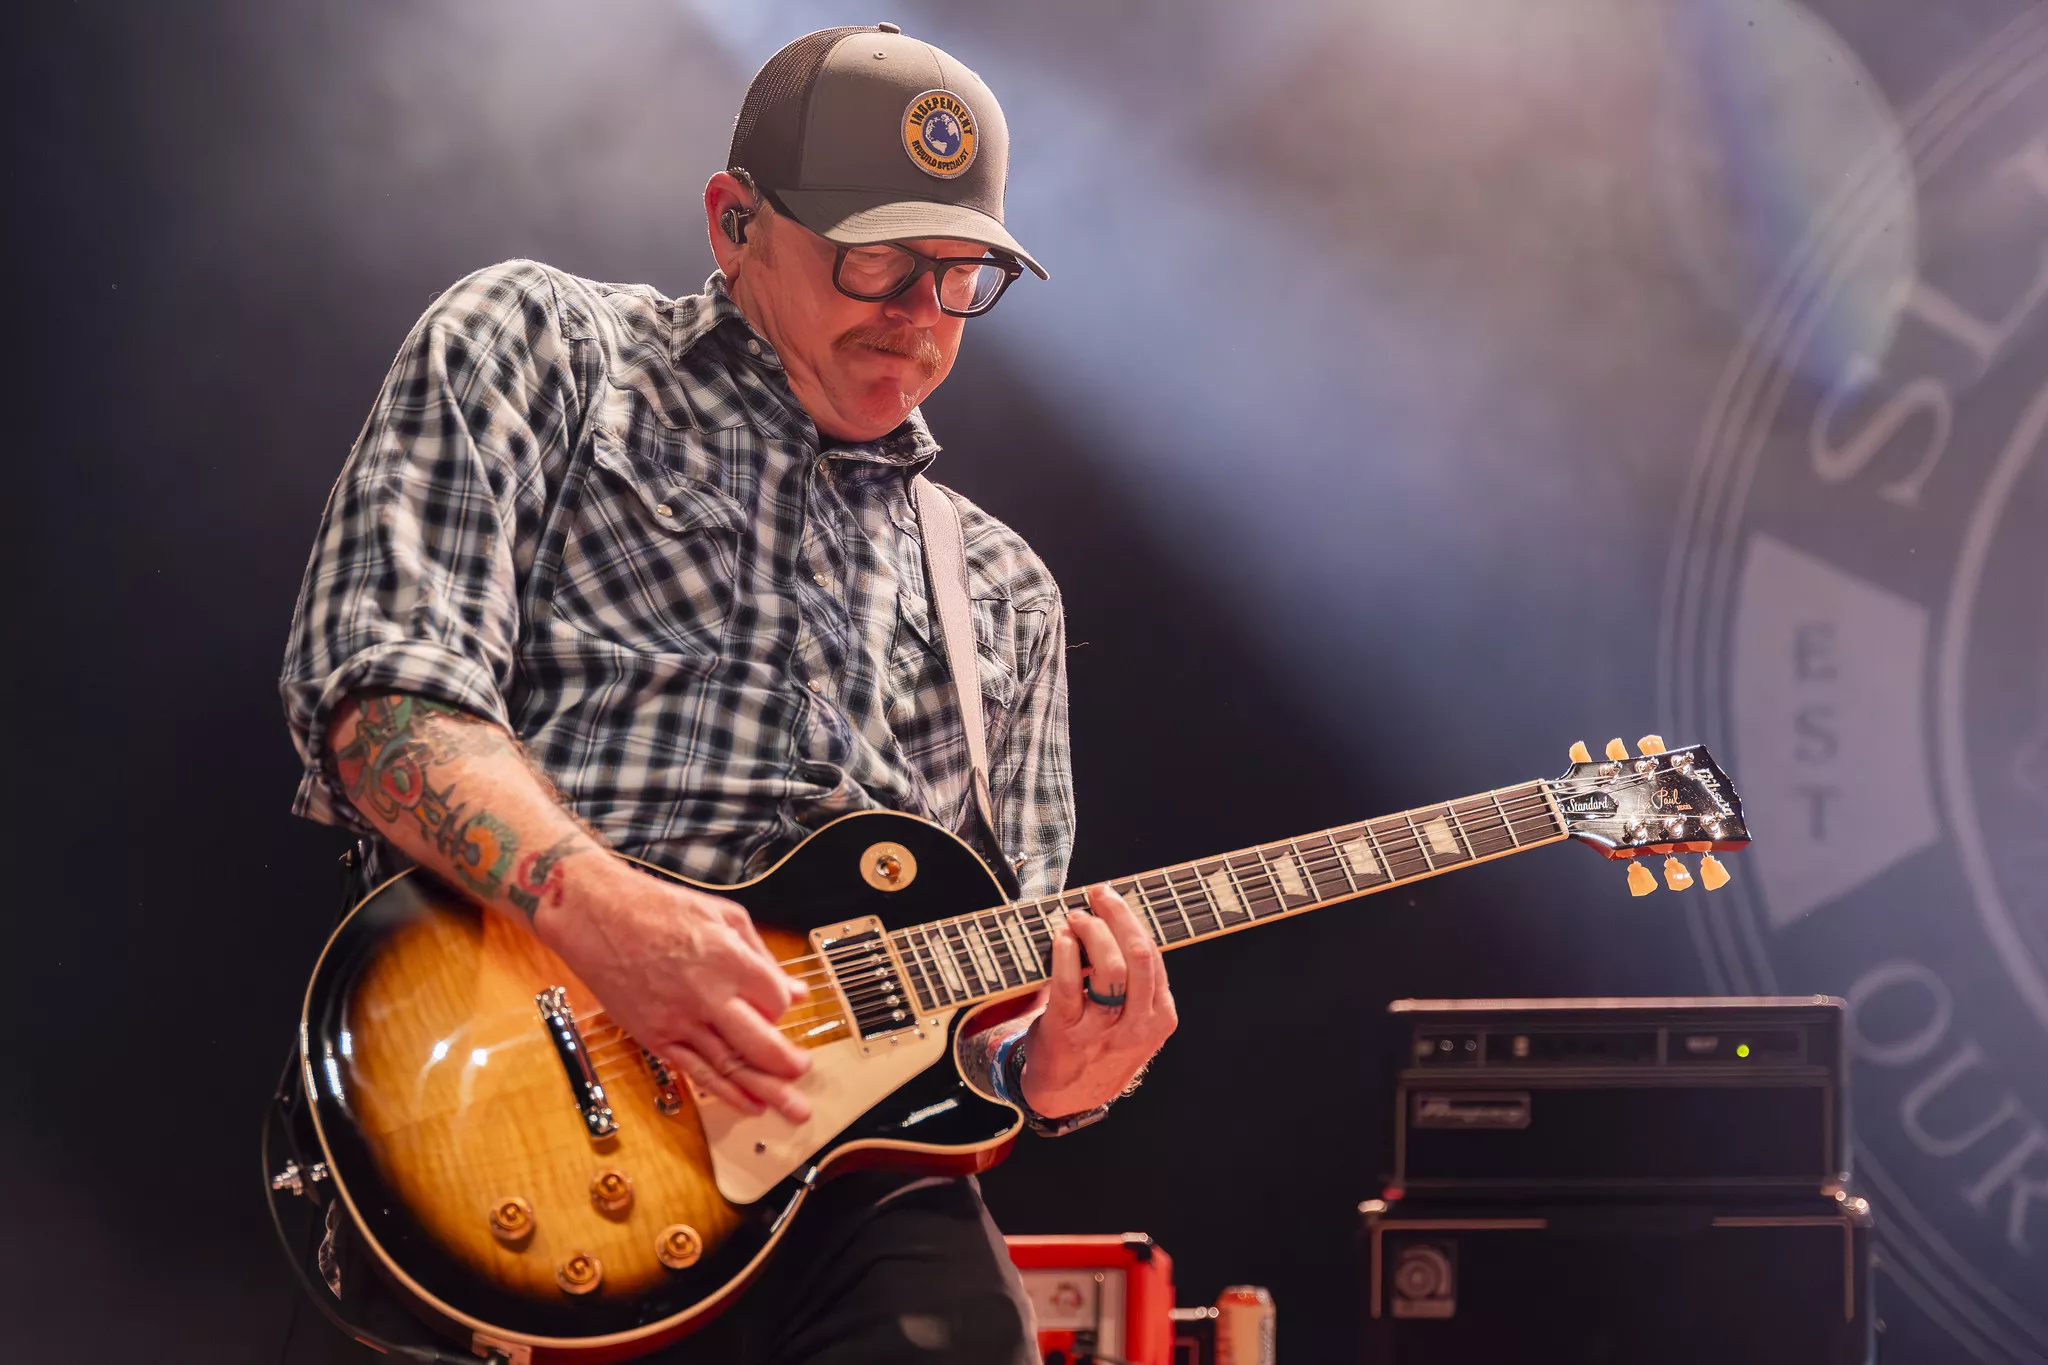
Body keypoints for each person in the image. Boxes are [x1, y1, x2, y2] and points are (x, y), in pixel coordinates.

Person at [278, 23, 1175, 1364]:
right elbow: (382, 700)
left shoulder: (1000, 586)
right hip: (516, 1102)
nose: (921, 316)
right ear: (734, 222)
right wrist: (607, 917)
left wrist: (1051, 1071)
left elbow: (982, 1010)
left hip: (851, 1189)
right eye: (877, 260)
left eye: (963, 275)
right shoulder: (544, 347)